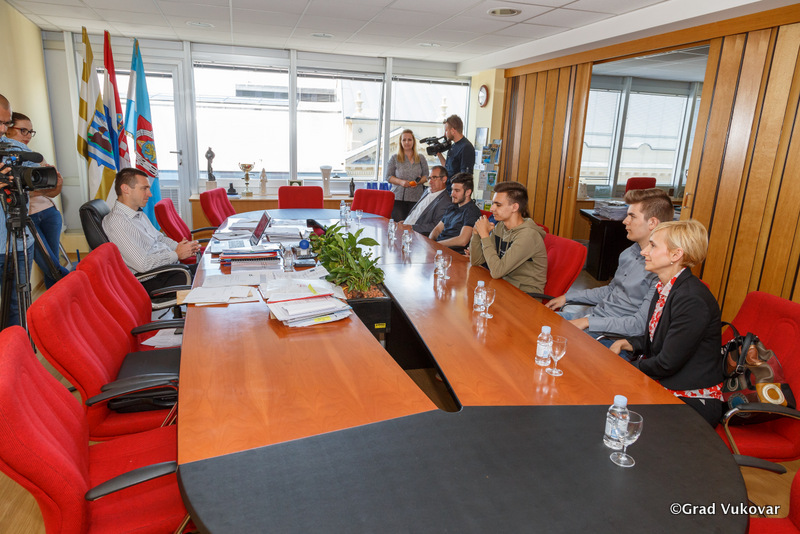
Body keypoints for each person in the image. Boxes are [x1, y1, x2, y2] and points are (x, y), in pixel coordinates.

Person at [609, 220, 724, 426]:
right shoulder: (665, 287)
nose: (644, 251)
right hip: (664, 384)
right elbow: (658, 338)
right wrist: (628, 343)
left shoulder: (692, 299)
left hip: (690, 401)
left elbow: (666, 363)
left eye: (653, 245)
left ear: (675, 255)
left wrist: (626, 368)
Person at [545, 188, 674, 341]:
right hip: (593, 318)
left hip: (610, 336)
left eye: (632, 216)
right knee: (536, 323)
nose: (625, 221)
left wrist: (588, 323)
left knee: (544, 341)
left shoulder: (661, 268)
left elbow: (639, 325)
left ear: (652, 222)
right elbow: (611, 290)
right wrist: (567, 298)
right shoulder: (629, 253)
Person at [103, 167, 200, 294]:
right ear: (125, 189)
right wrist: (176, 254)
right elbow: (143, 264)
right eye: (144, 188)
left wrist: (181, 248)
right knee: (206, 283)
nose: (150, 194)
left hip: (167, 270)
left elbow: (160, 238)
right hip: (151, 279)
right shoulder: (117, 222)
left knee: (208, 270)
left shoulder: (137, 214)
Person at [3, 112, 70, 288]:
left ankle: (58, 302)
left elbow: (52, 191)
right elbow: (17, 192)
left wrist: (57, 184)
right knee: (51, 266)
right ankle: (82, 286)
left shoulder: (32, 156)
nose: (27, 136)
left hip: (49, 213)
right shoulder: (5, 156)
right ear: (7, 129)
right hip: (26, 218)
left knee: (52, 263)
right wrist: (30, 189)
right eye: (23, 130)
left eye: (30, 132)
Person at [469, 181, 547, 295]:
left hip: (525, 296)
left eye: (498, 205)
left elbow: (497, 272)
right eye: (493, 204)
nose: (492, 209)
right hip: (503, 286)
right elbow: (476, 261)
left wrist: (485, 235)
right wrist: (476, 233)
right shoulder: (501, 226)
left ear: (514, 207)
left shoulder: (528, 235)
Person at [0, 94, 35, 329]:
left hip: (20, 242)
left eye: (7, 123)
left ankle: (21, 348)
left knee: (19, 307)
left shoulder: (14, 149)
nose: (4, 130)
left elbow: (48, 184)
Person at [429, 173, 481, 253]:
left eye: (457, 191)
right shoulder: (451, 207)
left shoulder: (472, 211)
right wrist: (429, 242)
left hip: (453, 253)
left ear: (468, 192)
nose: (452, 194)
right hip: (439, 249)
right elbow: (437, 230)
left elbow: (463, 240)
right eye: (452, 189)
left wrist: (437, 244)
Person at [386, 129, 429, 220]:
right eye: (404, 140)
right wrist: (401, 182)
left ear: (413, 141)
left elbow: (426, 176)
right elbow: (388, 177)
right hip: (398, 198)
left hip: (416, 198)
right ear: (400, 142)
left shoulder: (421, 158)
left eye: (409, 140)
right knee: (399, 225)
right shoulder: (394, 158)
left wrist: (418, 182)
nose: (407, 142)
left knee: (413, 225)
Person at [401, 166, 450, 236]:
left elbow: (436, 226)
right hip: (405, 227)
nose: (430, 182)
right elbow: (418, 213)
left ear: (444, 179)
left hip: (416, 235)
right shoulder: (427, 191)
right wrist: (406, 222)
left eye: (434, 178)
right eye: (429, 178)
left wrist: (411, 227)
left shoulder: (445, 201)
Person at [437, 115, 474, 192]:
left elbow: (465, 176)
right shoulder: (453, 146)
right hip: (448, 189)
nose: (445, 134)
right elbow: (447, 167)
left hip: (456, 191)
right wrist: (439, 154)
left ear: (453, 131)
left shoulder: (466, 147)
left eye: (446, 130)